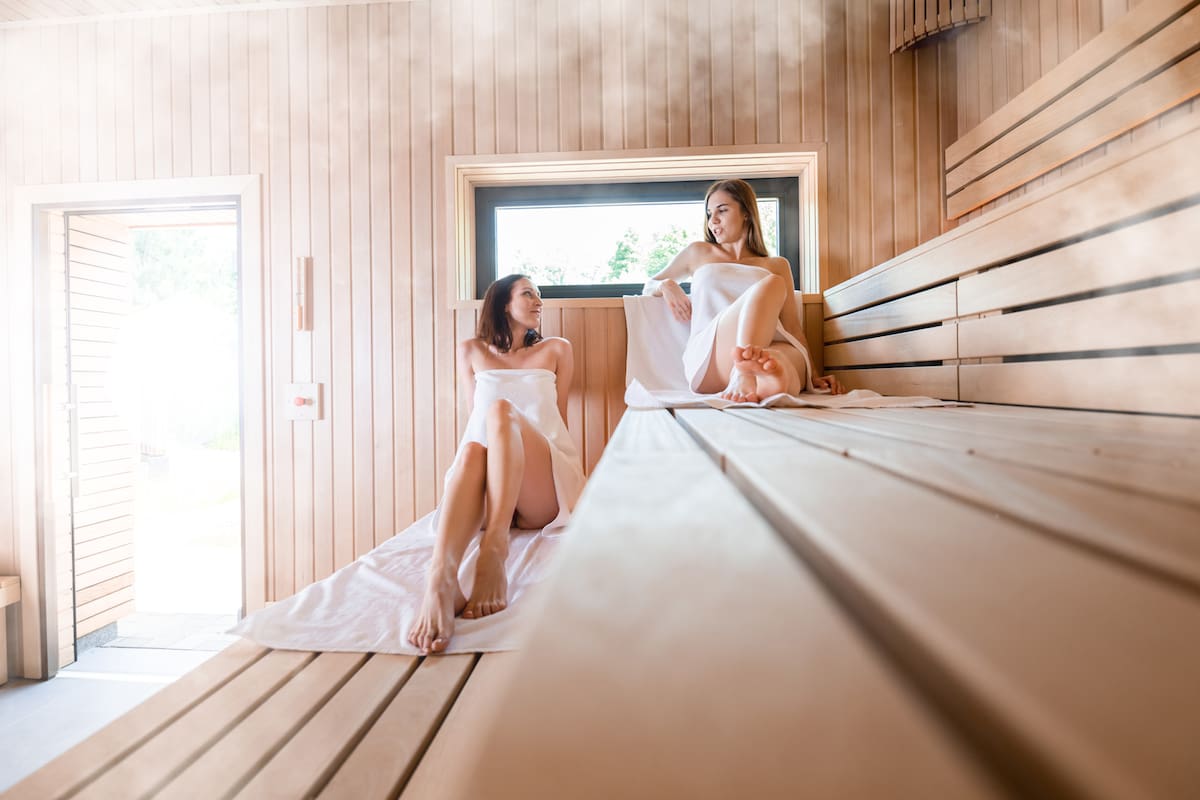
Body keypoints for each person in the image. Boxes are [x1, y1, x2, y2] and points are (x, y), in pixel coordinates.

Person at [408, 274, 584, 655]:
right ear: (503, 302)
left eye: (539, 295)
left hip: (543, 484)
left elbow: (559, 419)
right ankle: (440, 582)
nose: (538, 301)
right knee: (472, 449)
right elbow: (476, 418)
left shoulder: (557, 349)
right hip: (490, 479)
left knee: (501, 410)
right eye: (528, 294)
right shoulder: (470, 350)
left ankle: (494, 549)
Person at [645, 179, 846, 402]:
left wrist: (815, 375)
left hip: (770, 345)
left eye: (722, 210)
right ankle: (744, 371)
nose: (713, 221)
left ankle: (772, 383)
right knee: (773, 284)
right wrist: (667, 285)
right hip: (713, 354)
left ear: (746, 213)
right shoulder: (698, 252)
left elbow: (792, 328)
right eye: (710, 214)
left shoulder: (777, 265)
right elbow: (649, 284)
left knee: (781, 356)